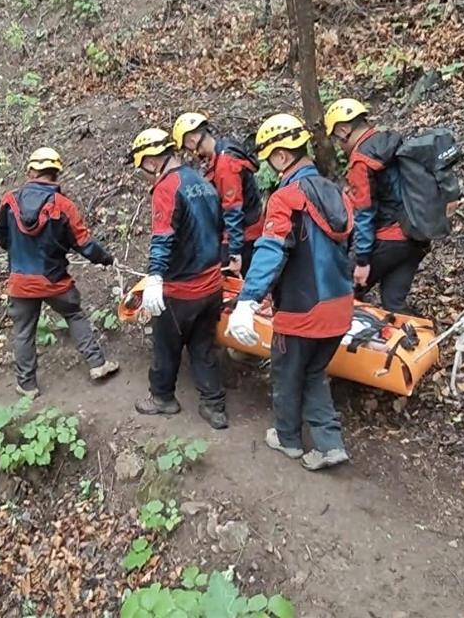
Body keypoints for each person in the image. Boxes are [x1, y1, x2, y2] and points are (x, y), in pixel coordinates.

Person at [225, 114, 355, 471]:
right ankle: (330, 444)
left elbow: (270, 249)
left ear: (282, 155)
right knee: (313, 373)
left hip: (302, 310)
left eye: (269, 157)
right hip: (341, 306)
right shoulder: (338, 192)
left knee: (286, 373)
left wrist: (248, 299)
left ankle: (288, 439)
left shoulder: (287, 197)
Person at [0, 147, 121, 396]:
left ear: (31, 170)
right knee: (73, 314)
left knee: (23, 331)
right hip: (54, 280)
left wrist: (16, 250)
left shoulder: (10, 201)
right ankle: (97, 364)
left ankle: (27, 385)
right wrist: (105, 259)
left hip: (20, 280)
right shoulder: (63, 206)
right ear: (56, 173)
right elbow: (83, 243)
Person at [129, 128, 228, 430]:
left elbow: (163, 237)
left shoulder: (166, 188)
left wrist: (155, 276)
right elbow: (221, 227)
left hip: (181, 288)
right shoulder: (201, 181)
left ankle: (161, 398)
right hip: (212, 285)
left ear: (151, 161)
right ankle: (214, 406)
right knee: (202, 345)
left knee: (165, 344)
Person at [325, 99, 437, 313]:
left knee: (340, 289)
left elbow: (364, 213)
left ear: (343, 129)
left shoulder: (362, 160)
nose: (339, 146)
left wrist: (362, 260)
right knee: (394, 302)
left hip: (390, 239)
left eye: (337, 139)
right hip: (416, 236)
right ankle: (423, 342)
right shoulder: (389, 143)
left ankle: (335, 340)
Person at [171, 112, 264, 275]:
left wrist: (234, 253)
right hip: (248, 228)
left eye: (187, 147)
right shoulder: (226, 149)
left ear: (192, 141)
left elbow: (232, 209)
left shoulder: (225, 165)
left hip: (245, 235)